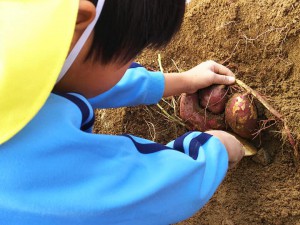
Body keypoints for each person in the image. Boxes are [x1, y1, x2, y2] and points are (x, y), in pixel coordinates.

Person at [0, 0, 244, 224]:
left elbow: (81, 77)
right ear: (77, 23)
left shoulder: (19, 42)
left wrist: (180, 81)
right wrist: (214, 149)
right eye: (130, 55)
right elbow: (147, 188)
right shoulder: (37, 166)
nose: (130, 63)